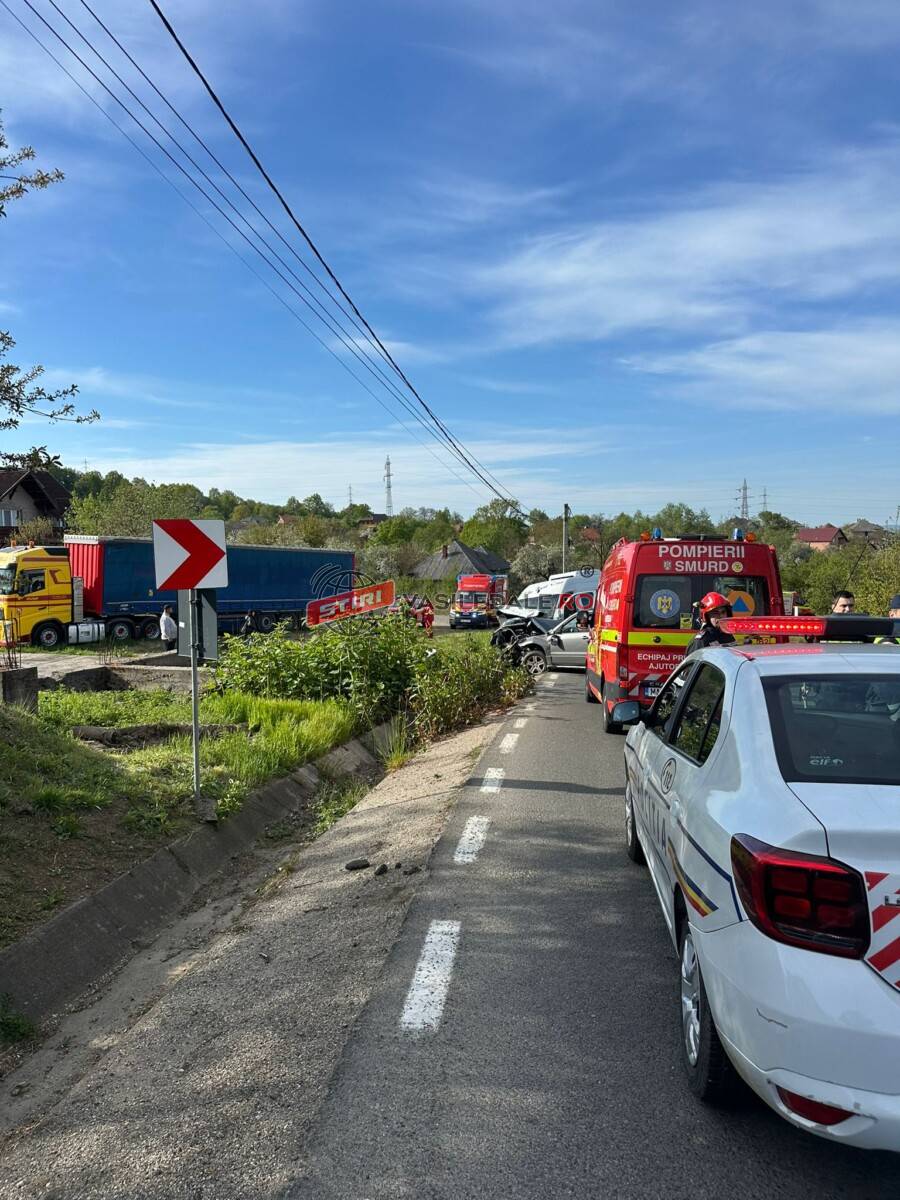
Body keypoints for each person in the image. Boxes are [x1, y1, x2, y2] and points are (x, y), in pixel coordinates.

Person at [684, 591, 736, 658]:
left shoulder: (727, 634)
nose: (721, 616)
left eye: (723, 612)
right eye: (715, 613)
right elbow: (693, 666)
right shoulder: (701, 641)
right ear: (707, 617)